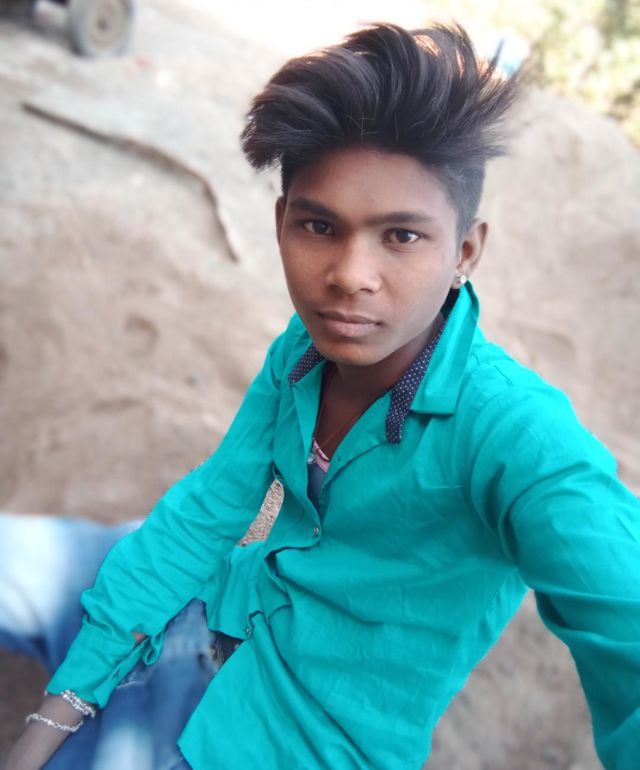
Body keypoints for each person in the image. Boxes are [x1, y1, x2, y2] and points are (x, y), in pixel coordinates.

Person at [3, 21, 640, 770]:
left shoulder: (518, 437)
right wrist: (57, 711)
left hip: (290, 739)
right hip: (205, 604)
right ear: (281, 224)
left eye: (401, 237)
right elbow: (209, 509)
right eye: (319, 226)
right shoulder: (304, 351)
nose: (349, 276)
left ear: (465, 251)